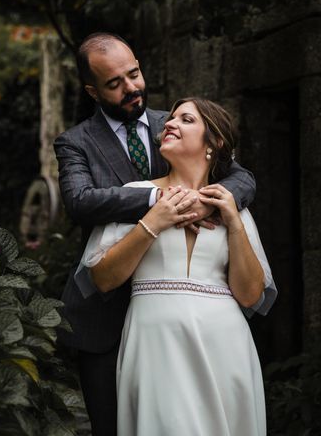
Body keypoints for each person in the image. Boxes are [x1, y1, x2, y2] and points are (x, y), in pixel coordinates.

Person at [53, 33, 257, 435]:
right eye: (115, 84)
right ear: (92, 91)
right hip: (107, 318)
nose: (131, 88)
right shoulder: (75, 142)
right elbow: (79, 201)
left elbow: (242, 177)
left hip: (195, 318)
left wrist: (205, 202)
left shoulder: (177, 123)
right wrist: (159, 201)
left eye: (134, 74)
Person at [79, 97, 277, 435]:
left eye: (186, 119)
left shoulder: (232, 204)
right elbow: (102, 278)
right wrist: (153, 222)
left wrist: (233, 221)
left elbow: (250, 295)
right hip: (155, 343)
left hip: (225, 344)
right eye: (170, 119)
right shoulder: (137, 195)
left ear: (213, 143)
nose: (169, 124)